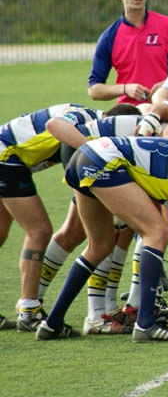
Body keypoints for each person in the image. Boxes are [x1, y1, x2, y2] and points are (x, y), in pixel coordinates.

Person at [34, 130, 168, 341]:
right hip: (104, 162)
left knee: (99, 247)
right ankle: (146, 324)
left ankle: (52, 323)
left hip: (85, 155)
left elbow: (165, 217)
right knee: (156, 233)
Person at [0, 104, 107, 331]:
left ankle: (29, 306)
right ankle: (29, 311)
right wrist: (92, 150)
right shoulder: (83, 116)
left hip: (9, 156)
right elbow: (54, 125)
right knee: (38, 230)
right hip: (6, 158)